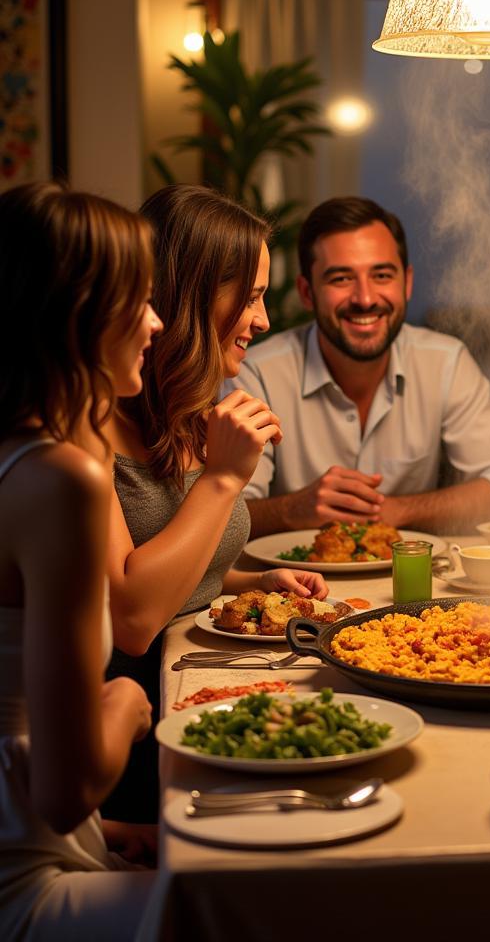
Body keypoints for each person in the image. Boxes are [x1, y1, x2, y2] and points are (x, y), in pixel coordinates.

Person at [103, 185, 327, 823]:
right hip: (125, 743)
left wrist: (255, 581)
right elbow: (135, 618)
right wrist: (224, 478)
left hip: (194, 695)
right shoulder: (87, 431)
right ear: (189, 295)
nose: (262, 320)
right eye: (250, 296)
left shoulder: (183, 407)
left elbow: (165, 554)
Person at [0, 183, 160, 939]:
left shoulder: (28, 457)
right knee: (286, 906)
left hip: (44, 841)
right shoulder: (59, 478)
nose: (157, 324)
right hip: (21, 883)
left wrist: (103, 835)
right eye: (142, 300)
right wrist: (125, 707)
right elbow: (65, 791)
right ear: (82, 311)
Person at [229, 196, 490, 536]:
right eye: (341, 279)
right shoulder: (256, 372)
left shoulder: (444, 362)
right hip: (291, 587)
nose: (365, 298)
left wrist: (398, 510)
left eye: (382, 275)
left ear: (406, 283)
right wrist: (292, 510)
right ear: (307, 292)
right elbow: (220, 520)